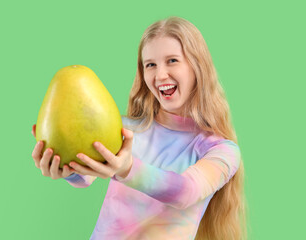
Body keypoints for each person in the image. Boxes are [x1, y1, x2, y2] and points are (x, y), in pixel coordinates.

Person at [31, 16, 247, 240]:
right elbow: (86, 176)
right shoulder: (125, 130)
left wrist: (127, 168)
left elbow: (186, 191)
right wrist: (67, 169)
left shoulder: (222, 151)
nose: (160, 75)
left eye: (172, 60)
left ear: (197, 67)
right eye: (150, 65)